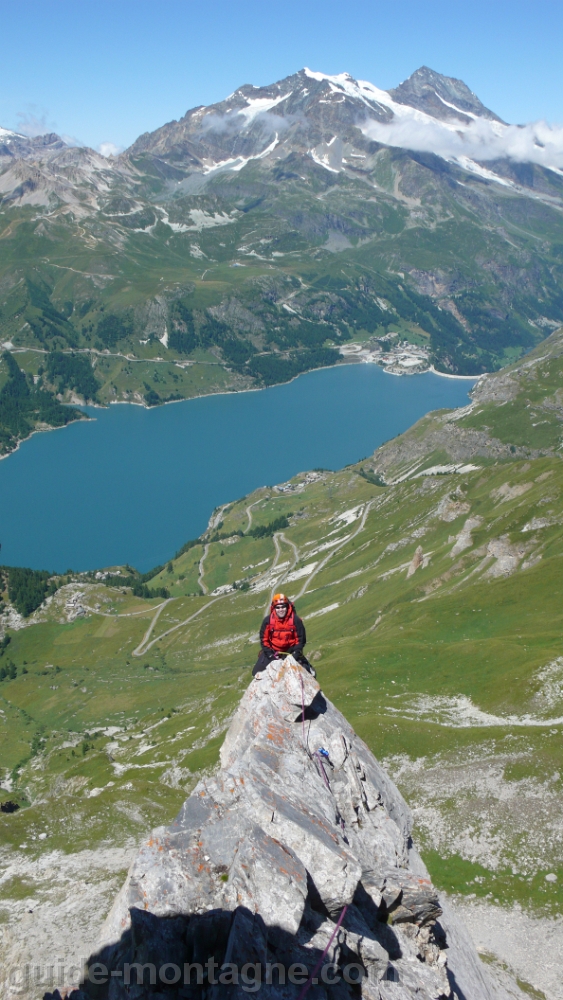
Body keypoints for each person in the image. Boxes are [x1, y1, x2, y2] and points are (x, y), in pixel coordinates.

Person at [252, 593, 314, 676]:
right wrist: (270, 655)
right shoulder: (268, 621)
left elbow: (301, 640)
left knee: (308, 673)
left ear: (287, 607)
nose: (280, 609)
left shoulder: (295, 620)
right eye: (277, 607)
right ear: (274, 608)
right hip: (273, 651)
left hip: (291, 651)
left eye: (283, 607)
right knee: (256, 673)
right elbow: (264, 640)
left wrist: (295, 655)